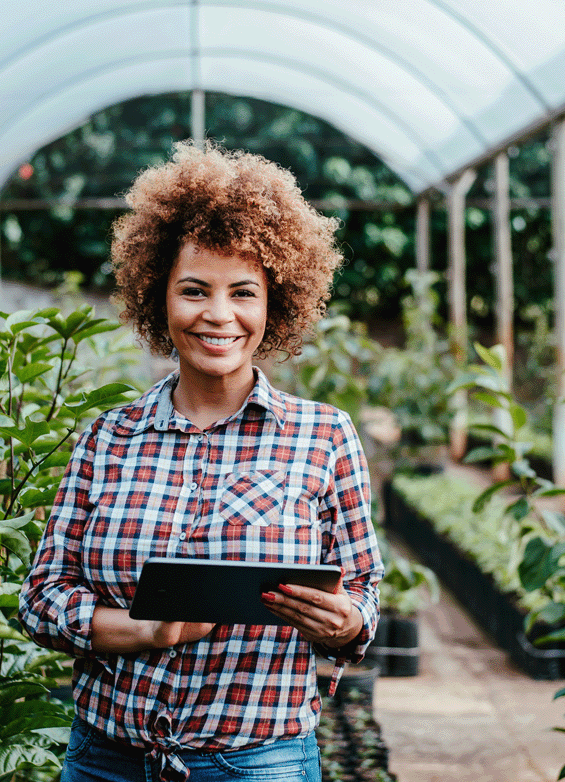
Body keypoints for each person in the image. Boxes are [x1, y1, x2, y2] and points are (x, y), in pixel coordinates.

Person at [19, 141, 382, 782]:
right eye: (194, 290)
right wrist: (144, 631)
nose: (218, 315)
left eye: (243, 291)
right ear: (158, 295)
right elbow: (44, 598)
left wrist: (344, 621)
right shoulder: (108, 438)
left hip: (258, 762)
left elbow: (361, 596)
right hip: (110, 760)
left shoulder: (324, 436)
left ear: (276, 303)